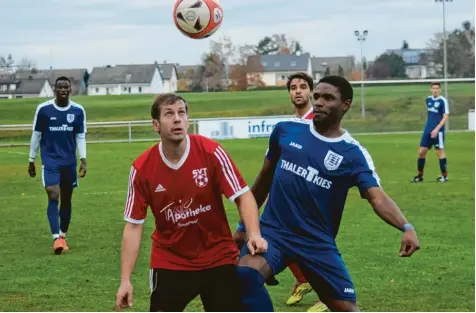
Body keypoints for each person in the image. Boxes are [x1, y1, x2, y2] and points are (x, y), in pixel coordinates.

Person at [235, 76, 420, 312]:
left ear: (346, 105)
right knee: (245, 276)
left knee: (347, 309)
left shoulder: (353, 153)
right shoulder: (286, 131)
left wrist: (406, 227)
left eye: (328, 98)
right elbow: (263, 181)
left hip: (317, 243)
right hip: (275, 233)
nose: (319, 102)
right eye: (318, 97)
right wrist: (244, 227)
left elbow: (377, 197)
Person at [114, 93, 267, 312]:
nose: (177, 118)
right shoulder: (142, 169)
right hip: (170, 260)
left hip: (218, 257)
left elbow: (243, 195)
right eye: (169, 114)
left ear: (187, 120)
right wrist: (125, 279)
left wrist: (253, 234)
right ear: (156, 124)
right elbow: (133, 225)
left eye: (181, 113)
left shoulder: (211, 152)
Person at [234, 72, 328, 312]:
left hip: (308, 201)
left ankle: (322, 293)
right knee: (257, 237)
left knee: (306, 246)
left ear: (311, 92)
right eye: (293, 87)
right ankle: (302, 281)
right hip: (280, 196)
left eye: (303, 87)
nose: (298, 91)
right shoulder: (287, 127)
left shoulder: (319, 123)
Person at [28, 76, 87, 254]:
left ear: (70, 90)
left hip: (69, 162)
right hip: (50, 160)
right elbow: (36, 135)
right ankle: (56, 238)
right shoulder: (44, 110)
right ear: (55, 89)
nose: (63, 90)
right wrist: (31, 160)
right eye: (59, 87)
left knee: (66, 199)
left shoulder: (78, 111)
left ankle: (62, 235)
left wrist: (83, 159)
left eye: (66, 88)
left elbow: (80, 136)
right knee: (53, 194)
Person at [412, 82, 450, 183]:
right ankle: (420, 176)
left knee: (439, 152)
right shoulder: (428, 99)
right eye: (433, 88)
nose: (435, 90)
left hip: (438, 132)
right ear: (431, 89)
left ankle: (444, 176)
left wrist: (437, 129)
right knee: (421, 152)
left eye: (437, 88)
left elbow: (445, 117)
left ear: (440, 90)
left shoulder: (443, 101)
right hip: (427, 130)